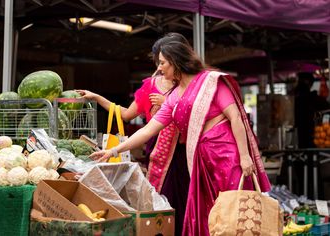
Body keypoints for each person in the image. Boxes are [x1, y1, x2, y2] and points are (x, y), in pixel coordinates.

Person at [90, 41, 271, 236]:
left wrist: (244, 156)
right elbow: (148, 130)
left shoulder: (210, 82)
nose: (159, 68)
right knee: (210, 215)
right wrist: (114, 150)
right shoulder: (174, 97)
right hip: (201, 160)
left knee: (235, 212)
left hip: (227, 156)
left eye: (162, 63)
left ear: (176, 61)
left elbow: (235, 117)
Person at [77, 33, 191, 235]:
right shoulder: (151, 86)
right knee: (160, 199)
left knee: (186, 200)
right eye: (159, 60)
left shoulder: (192, 84)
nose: (160, 66)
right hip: (157, 150)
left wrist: (168, 106)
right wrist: (97, 98)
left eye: (164, 60)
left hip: (185, 152)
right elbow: (127, 114)